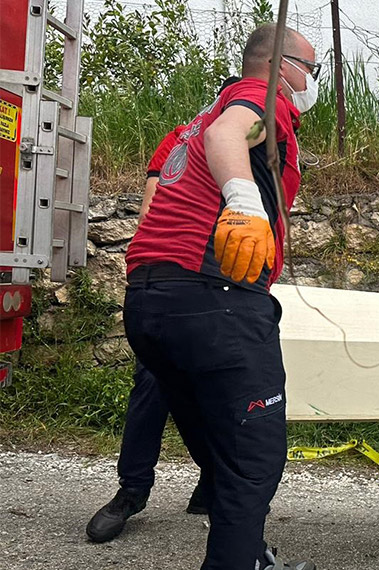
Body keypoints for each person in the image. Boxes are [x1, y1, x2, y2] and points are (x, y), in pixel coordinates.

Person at [122, 24, 320, 569]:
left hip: (149, 302)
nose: (312, 82)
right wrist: (242, 202)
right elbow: (229, 137)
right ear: (283, 66)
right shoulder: (261, 100)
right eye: (311, 69)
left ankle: (249, 555)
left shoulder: (198, 119)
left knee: (223, 451)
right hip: (216, 298)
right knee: (254, 462)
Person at [85, 75, 241, 545]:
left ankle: (215, 480)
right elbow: (153, 211)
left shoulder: (267, 140)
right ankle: (132, 490)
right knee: (154, 380)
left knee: (222, 389)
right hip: (179, 278)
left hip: (233, 281)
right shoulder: (181, 139)